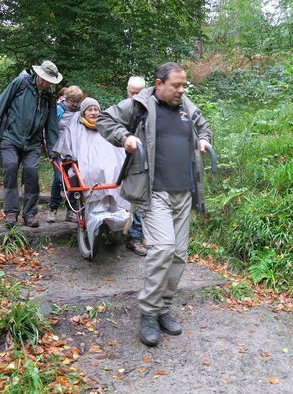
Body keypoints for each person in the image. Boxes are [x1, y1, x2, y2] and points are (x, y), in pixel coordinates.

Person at [97, 62, 212, 347]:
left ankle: (163, 308)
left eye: (184, 85)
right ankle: (148, 313)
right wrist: (125, 138)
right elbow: (104, 119)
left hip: (184, 192)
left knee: (179, 255)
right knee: (162, 249)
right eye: (176, 85)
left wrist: (205, 141)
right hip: (153, 191)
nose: (181, 90)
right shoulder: (140, 105)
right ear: (159, 83)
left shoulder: (186, 106)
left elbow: (204, 126)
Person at [0, 60, 62, 228]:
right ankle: (11, 212)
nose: (46, 83)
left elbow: (52, 125)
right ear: (38, 74)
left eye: (49, 81)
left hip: (33, 142)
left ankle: (30, 214)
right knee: (11, 167)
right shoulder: (21, 83)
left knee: (32, 173)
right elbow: (1, 102)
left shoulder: (49, 97)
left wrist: (53, 150)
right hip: (11, 137)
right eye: (44, 78)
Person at [53, 97, 129, 258]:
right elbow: (67, 149)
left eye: (96, 109)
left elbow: (118, 147)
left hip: (109, 167)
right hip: (85, 169)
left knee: (115, 167)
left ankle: (115, 217)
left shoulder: (106, 127)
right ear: (83, 112)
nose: (94, 112)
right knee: (93, 170)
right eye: (90, 110)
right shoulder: (75, 128)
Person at [48, 85, 83, 223]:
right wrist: (50, 150)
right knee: (59, 179)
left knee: (74, 180)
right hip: (58, 149)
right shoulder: (58, 109)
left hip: (74, 151)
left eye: (76, 101)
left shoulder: (80, 111)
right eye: (72, 101)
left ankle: (71, 211)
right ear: (66, 98)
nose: (74, 104)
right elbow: (50, 129)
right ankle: (53, 209)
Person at [125, 76, 148, 256]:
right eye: (132, 93)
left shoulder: (150, 110)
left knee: (140, 201)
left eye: (138, 93)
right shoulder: (123, 109)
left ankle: (135, 237)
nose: (135, 97)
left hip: (141, 162)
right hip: (122, 160)